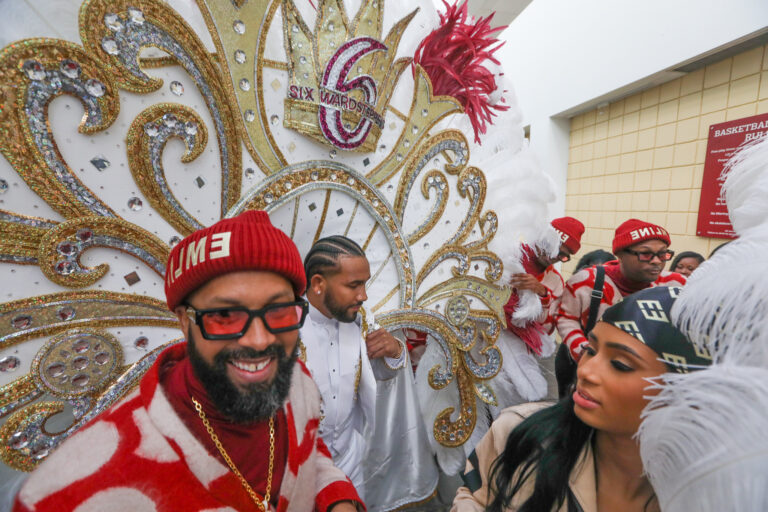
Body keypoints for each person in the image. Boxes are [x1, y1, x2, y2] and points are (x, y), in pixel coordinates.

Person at [13, 211, 363, 512]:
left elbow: (307, 446)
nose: (259, 340)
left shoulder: (295, 379)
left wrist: (337, 498)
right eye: (225, 314)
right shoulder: (73, 490)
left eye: (278, 309)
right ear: (184, 321)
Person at [452, 286, 712, 512]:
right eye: (591, 350)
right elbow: (475, 498)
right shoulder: (518, 431)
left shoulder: (721, 491)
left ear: (686, 391)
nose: (585, 371)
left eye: (621, 364)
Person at [299, 236, 438, 508]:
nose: (363, 295)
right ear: (318, 284)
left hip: (352, 464)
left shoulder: (361, 320)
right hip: (301, 470)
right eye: (353, 285)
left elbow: (381, 382)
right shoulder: (286, 330)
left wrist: (395, 352)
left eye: (365, 284)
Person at [555, 219, 685, 397]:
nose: (657, 262)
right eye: (646, 254)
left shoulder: (676, 285)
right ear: (620, 255)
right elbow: (566, 317)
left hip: (646, 384)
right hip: (591, 372)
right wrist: (584, 352)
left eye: (663, 254)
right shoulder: (586, 281)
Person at [507, 216, 585, 341]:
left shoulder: (556, 282)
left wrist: (542, 294)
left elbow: (546, 330)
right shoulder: (509, 253)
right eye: (551, 246)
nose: (553, 256)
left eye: (562, 255)